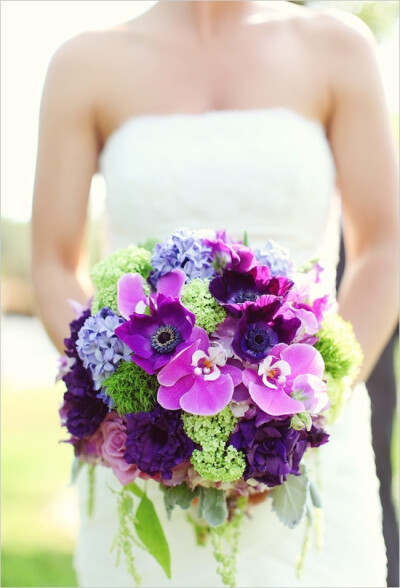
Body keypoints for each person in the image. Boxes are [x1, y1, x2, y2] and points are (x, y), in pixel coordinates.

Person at [32, 2, 399, 587]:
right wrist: (136, 410)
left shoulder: (338, 47)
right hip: (144, 455)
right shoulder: (85, 61)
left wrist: (301, 416)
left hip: (305, 437)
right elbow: (53, 263)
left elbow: (384, 248)